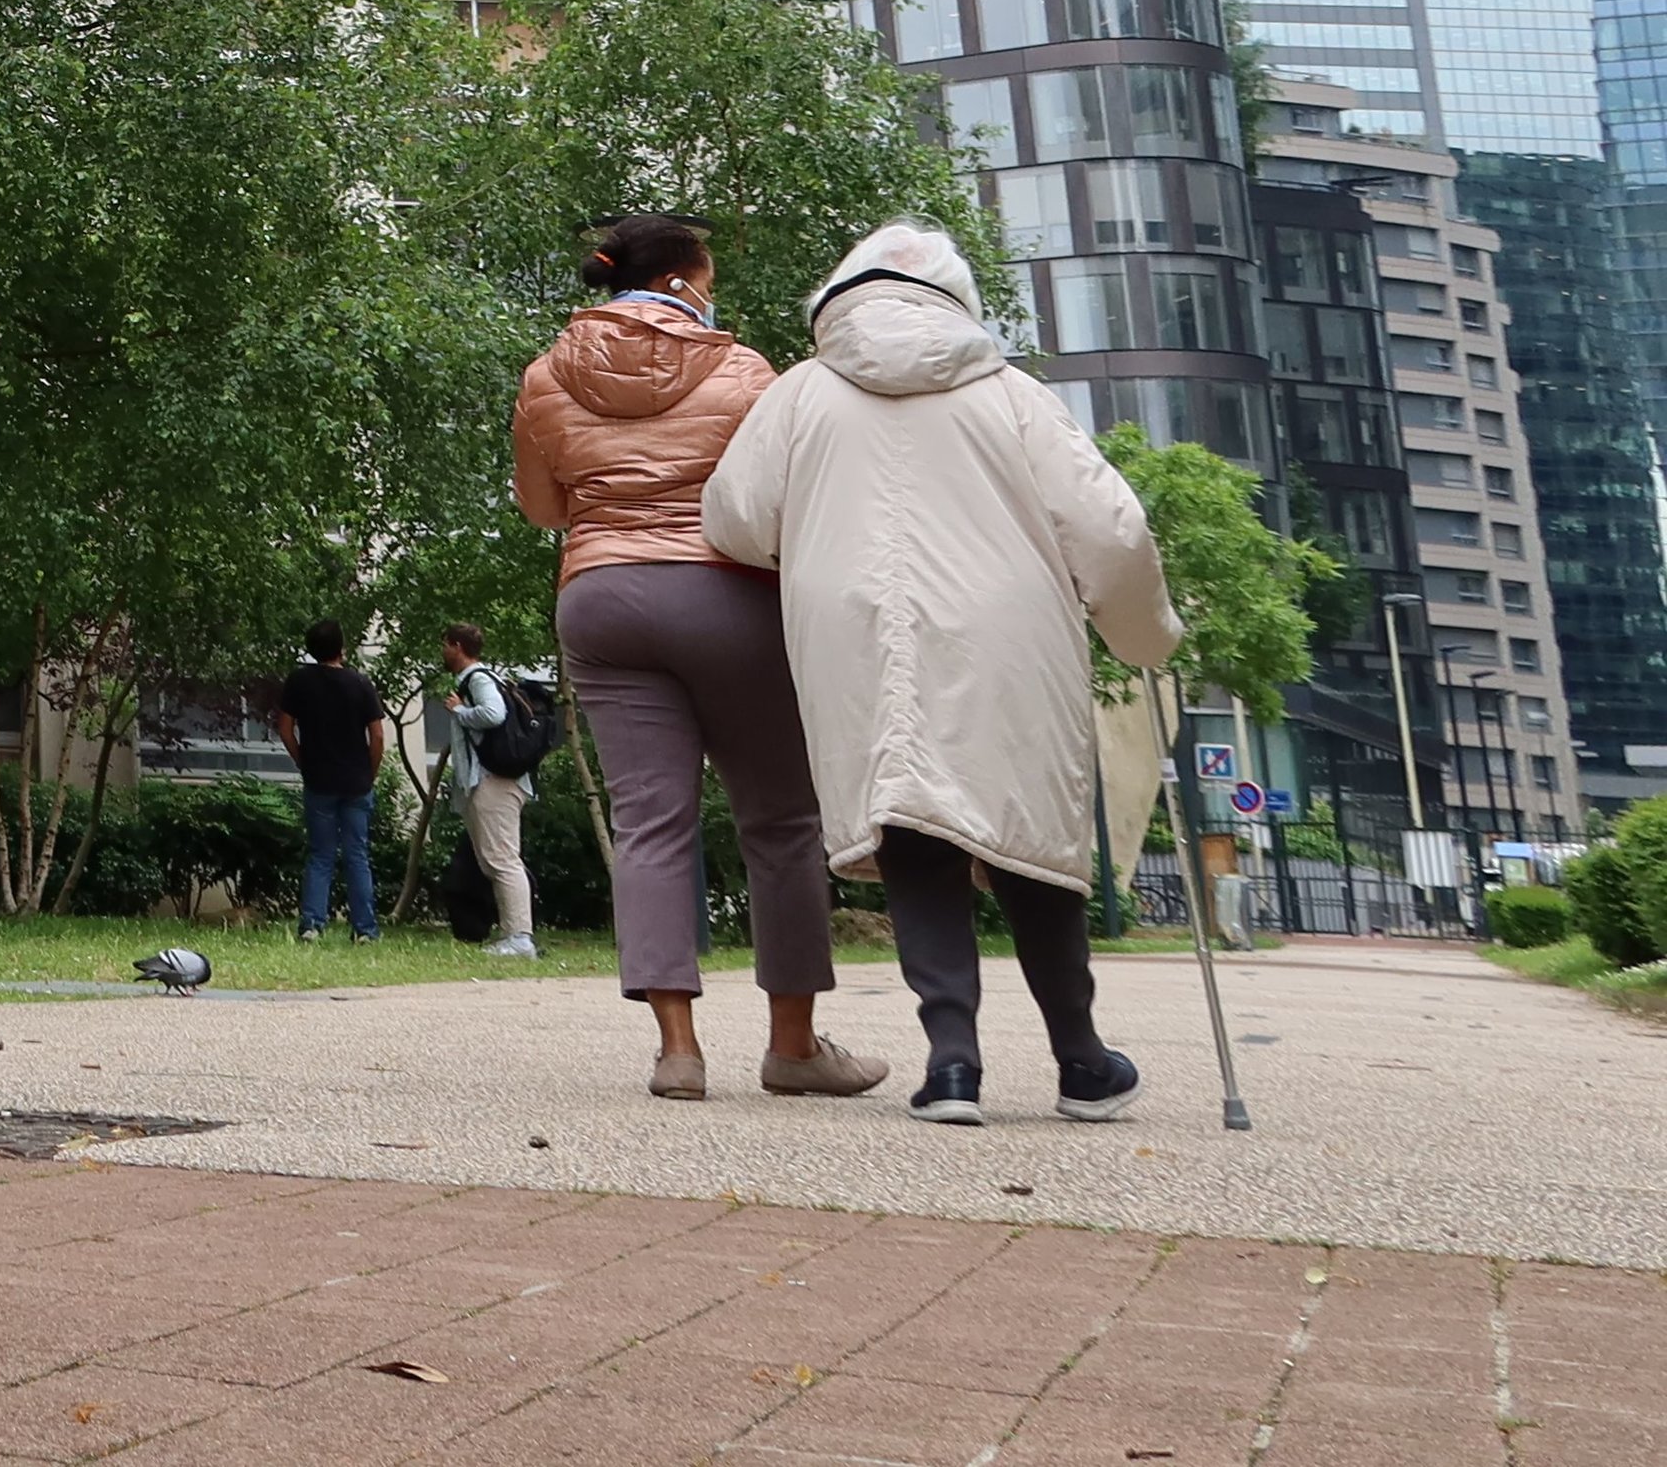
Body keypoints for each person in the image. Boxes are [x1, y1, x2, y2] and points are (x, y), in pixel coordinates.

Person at [704, 219, 1185, 1127]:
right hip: (1010, 630)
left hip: (857, 633)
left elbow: (732, 517)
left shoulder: (801, 393)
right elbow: (1111, 529)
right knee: (1031, 834)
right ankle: (1081, 1060)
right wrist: (1146, 637)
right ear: (954, 300)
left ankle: (951, 1063)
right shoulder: (1013, 394)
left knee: (913, 823)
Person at [515, 211, 883, 1101]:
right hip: (727, 596)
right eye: (709, 275)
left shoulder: (543, 375)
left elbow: (542, 508)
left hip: (602, 597)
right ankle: (792, 1046)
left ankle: (678, 1051)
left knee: (651, 821)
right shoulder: (742, 367)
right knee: (780, 821)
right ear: (687, 277)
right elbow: (774, 498)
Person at [271, 618, 388, 941]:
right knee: (357, 855)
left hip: (319, 778)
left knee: (320, 854)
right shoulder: (361, 683)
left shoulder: (299, 681)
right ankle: (364, 929)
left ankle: (312, 924)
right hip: (356, 781)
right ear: (342, 648)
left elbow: (285, 728)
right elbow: (377, 736)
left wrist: (302, 761)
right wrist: (370, 772)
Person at [436, 622, 537, 959]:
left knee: (503, 859)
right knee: (495, 859)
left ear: (457, 646)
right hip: (495, 782)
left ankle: (520, 938)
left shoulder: (478, 680)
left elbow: (494, 714)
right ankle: (514, 934)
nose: (443, 651)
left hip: (495, 782)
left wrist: (459, 711)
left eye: (445, 645)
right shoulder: (479, 679)